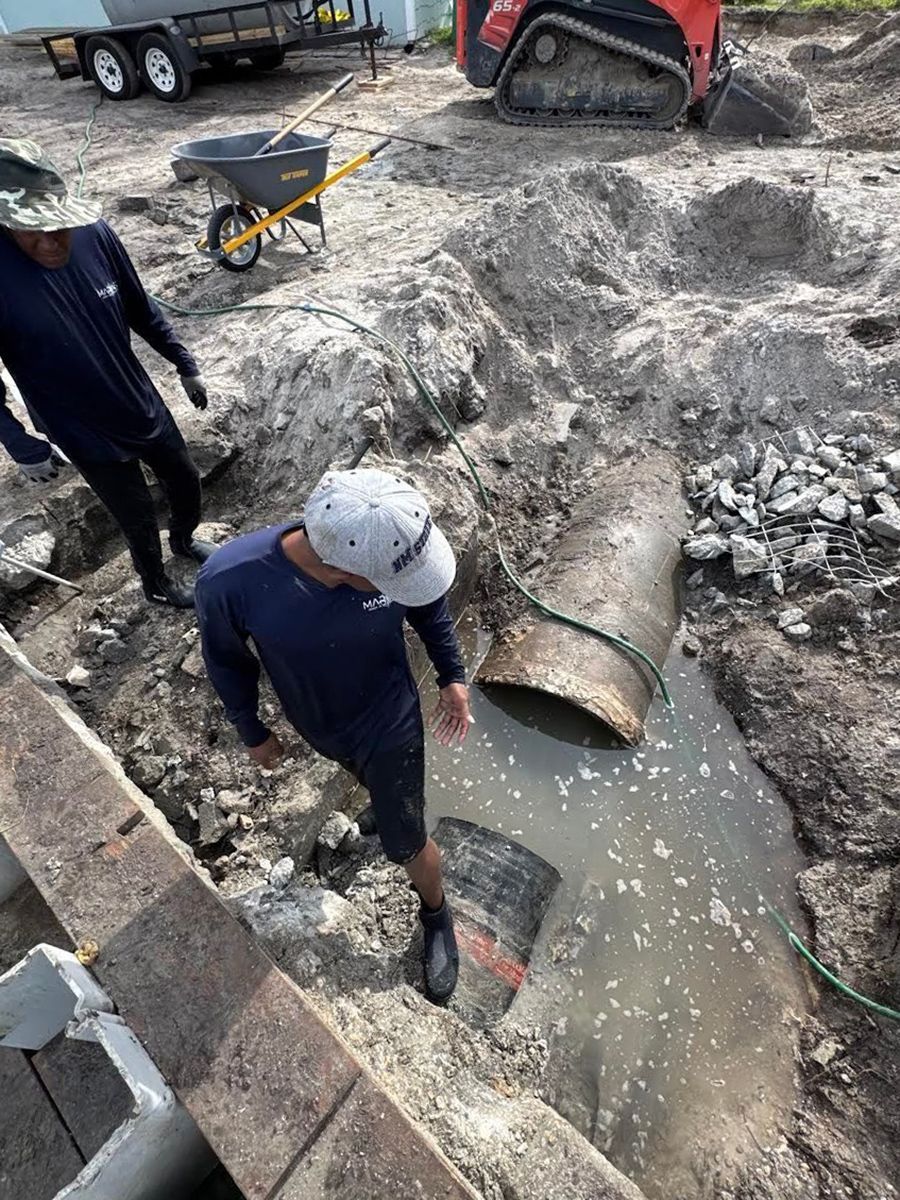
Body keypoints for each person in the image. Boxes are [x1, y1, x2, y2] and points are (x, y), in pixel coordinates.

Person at [196, 467, 473, 1003]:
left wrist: (452, 677)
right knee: (367, 783)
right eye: (395, 585)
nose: (405, 589)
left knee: (406, 842)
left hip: (391, 723)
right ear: (344, 573)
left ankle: (436, 913)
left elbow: (429, 605)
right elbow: (227, 663)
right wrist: (252, 731)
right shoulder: (232, 580)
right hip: (319, 721)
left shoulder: (383, 554)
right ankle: (380, 801)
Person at [0, 137, 214, 609]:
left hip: (136, 399)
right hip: (80, 426)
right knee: (135, 515)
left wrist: (183, 362)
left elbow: (140, 306)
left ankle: (182, 541)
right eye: (35, 229)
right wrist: (18, 442)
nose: (54, 240)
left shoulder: (95, 233)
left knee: (184, 478)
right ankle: (156, 584)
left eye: (61, 225)